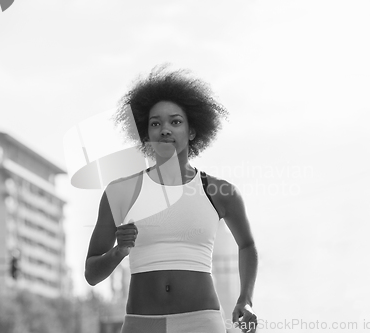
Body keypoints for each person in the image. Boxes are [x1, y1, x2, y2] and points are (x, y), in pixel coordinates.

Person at [85, 65, 258, 333]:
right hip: (141, 324)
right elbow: (92, 274)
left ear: (192, 131)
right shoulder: (120, 192)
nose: (165, 129)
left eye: (175, 122)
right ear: (146, 135)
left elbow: (247, 245)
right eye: (156, 123)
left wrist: (245, 299)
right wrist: (118, 251)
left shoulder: (220, 192)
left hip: (202, 323)